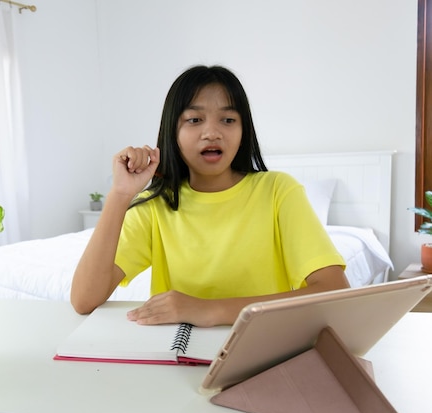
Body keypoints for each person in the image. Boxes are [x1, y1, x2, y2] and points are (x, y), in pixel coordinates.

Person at [71, 65, 349, 327]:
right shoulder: (157, 207)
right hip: (178, 357)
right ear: (173, 131)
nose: (212, 133)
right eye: (194, 119)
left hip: (262, 351)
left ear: (243, 131)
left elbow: (334, 291)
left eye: (228, 120)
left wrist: (208, 309)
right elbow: (84, 300)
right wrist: (120, 194)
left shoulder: (278, 190)